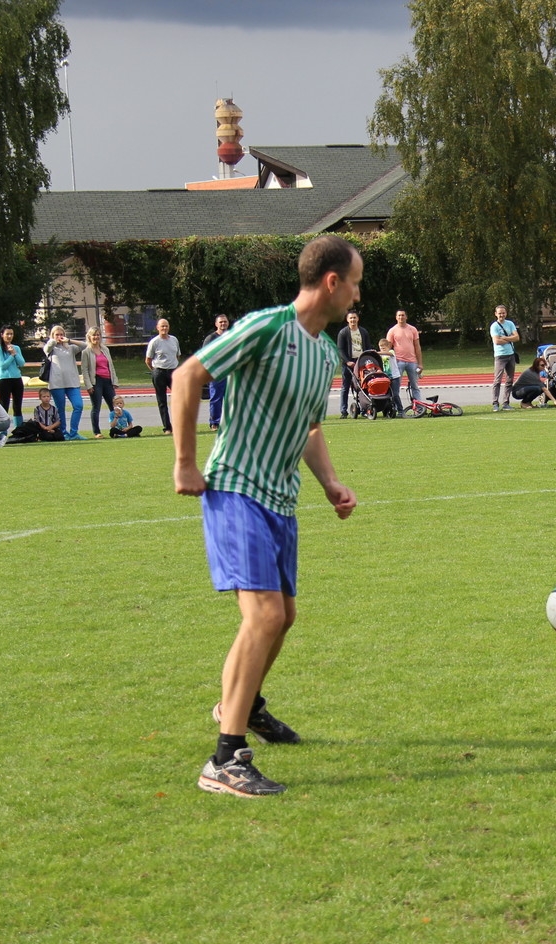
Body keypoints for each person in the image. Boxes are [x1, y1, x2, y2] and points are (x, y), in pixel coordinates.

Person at [171, 233, 360, 798]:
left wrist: (329, 483)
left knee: (283, 617)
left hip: (280, 501)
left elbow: (307, 427)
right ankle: (225, 760)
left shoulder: (325, 351)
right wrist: (184, 463)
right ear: (331, 282)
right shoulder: (266, 326)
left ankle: (243, 705)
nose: (357, 294)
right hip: (235, 489)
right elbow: (187, 376)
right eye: (354, 282)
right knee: (265, 616)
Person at [43, 325, 86, 440]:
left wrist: (69, 341)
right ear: (52, 336)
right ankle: (63, 432)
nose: (60, 337)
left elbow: (85, 345)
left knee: (78, 405)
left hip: (72, 382)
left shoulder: (70, 348)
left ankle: (74, 432)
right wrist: (54, 340)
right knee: (60, 409)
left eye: (61, 334)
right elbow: (47, 347)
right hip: (57, 383)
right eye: (57, 334)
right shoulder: (51, 348)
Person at [78, 328, 119, 438]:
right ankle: (97, 432)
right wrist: (89, 385)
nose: (96, 337)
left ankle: (116, 429)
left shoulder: (105, 349)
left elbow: (111, 366)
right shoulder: (86, 352)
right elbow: (85, 370)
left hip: (108, 381)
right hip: (96, 381)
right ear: (89, 337)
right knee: (96, 407)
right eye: (94, 335)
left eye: (98, 335)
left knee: (114, 406)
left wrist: (114, 380)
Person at [0, 326, 36, 426]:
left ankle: (19, 429)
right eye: (7, 334)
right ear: (2, 335)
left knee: (17, 406)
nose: (9, 336)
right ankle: (2, 430)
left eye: (11, 334)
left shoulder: (16, 348)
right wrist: (11, 355)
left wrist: (14, 353)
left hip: (16, 379)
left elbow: (21, 363)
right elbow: (2, 365)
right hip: (4, 379)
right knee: (4, 406)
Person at [145, 318, 181, 434]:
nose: (164, 328)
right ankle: (167, 427)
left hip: (173, 372)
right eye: (162, 326)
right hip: (159, 372)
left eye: (166, 326)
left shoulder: (174, 340)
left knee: (179, 399)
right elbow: (148, 360)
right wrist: (155, 371)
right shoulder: (154, 342)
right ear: (158, 328)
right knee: (162, 401)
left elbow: (177, 355)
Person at [386, 309, 424, 410]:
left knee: (415, 386)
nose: (401, 317)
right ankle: (397, 408)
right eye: (399, 316)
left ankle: (419, 408)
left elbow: (417, 347)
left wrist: (420, 364)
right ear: (396, 317)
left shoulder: (413, 329)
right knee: (396, 387)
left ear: (406, 317)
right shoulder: (392, 331)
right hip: (398, 362)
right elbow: (388, 348)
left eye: (402, 315)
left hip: (412, 362)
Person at [334, 309, 369, 418]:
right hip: (348, 363)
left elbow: (368, 347)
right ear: (347, 320)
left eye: (354, 317)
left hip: (361, 362)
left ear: (358, 319)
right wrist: (347, 361)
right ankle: (343, 411)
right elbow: (340, 349)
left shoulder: (363, 332)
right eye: (351, 318)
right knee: (345, 386)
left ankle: (364, 409)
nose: (353, 320)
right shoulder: (343, 333)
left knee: (363, 386)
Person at [489, 305, 520, 411]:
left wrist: (505, 338)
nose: (501, 315)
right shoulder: (494, 326)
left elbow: (517, 337)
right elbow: (497, 341)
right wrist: (510, 338)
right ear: (496, 314)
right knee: (497, 380)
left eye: (503, 313)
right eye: (499, 313)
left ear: (506, 313)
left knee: (509, 380)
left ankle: (506, 403)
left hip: (510, 354)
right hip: (500, 356)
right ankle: (495, 403)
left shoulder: (510, 324)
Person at [202, 314, 230, 429]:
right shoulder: (210, 338)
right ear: (216, 324)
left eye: (225, 322)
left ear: (228, 323)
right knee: (216, 399)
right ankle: (215, 423)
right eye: (221, 322)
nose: (223, 324)